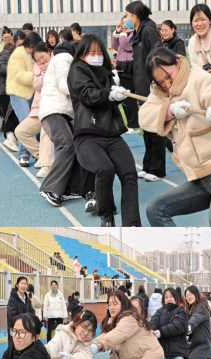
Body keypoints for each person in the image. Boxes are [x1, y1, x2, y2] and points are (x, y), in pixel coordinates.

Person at [139, 47, 211, 227]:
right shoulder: (160, 92)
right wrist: (170, 111)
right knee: (155, 209)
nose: (167, 85)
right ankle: (183, 247)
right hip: (198, 178)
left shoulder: (198, 77)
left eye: (169, 77)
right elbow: (144, 117)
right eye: (161, 82)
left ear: (178, 63)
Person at [69, 34, 141, 227]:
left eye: (100, 52)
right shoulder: (76, 70)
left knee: (130, 174)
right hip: (88, 136)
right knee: (104, 169)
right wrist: (109, 94)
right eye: (91, 53)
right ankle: (107, 216)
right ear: (82, 55)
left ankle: (132, 224)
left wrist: (117, 92)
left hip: (112, 135)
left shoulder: (107, 74)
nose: (97, 56)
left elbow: (111, 96)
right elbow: (87, 94)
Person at [38, 30, 95, 209]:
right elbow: (63, 83)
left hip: (58, 111)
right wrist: (84, 91)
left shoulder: (63, 59)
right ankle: (50, 188)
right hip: (53, 111)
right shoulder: (64, 58)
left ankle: (70, 188)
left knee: (75, 146)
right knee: (67, 145)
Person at [126, 1, 168, 183]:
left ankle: (158, 169)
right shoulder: (137, 33)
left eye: (128, 15)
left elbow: (158, 57)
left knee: (156, 129)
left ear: (135, 15)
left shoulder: (149, 30)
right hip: (142, 88)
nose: (126, 19)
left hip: (152, 88)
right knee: (146, 127)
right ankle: (148, 165)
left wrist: (155, 82)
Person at [15, 43, 53, 178]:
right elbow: (37, 85)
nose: (41, 61)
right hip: (39, 108)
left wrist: (45, 73)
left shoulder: (57, 62)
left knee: (45, 130)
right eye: (37, 60)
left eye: (42, 57)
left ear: (48, 51)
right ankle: (41, 156)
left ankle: (47, 165)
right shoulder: (37, 67)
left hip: (53, 108)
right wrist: (45, 73)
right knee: (20, 131)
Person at [6, 32, 43, 167]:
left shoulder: (34, 54)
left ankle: (38, 153)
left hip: (34, 92)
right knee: (25, 122)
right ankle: (24, 154)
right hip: (18, 92)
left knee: (37, 121)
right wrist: (37, 75)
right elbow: (19, 76)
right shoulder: (17, 54)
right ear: (32, 45)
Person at [112, 16, 140, 134]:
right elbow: (115, 46)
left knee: (130, 98)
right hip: (122, 69)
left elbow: (125, 45)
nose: (124, 25)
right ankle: (130, 125)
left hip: (130, 69)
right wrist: (117, 33)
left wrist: (122, 34)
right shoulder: (124, 35)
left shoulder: (135, 34)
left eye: (126, 22)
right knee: (125, 98)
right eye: (122, 22)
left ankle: (134, 126)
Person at [183, 286, 211, 359]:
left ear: (196, 294)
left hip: (202, 342)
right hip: (193, 342)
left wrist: (188, 327)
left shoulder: (201, 307)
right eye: (187, 295)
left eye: (190, 294)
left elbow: (195, 319)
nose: (188, 297)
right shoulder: (190, 308)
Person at [7, 276, 35, 343]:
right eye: (21, 283)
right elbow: (12, 316)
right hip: (16, 330)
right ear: (17, 285)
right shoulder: (12, 300)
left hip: (26, 330)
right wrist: (24, 322)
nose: (23, 286)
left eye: (25, 284)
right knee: (15, 347)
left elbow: (32, 312)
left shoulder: (28, 300)